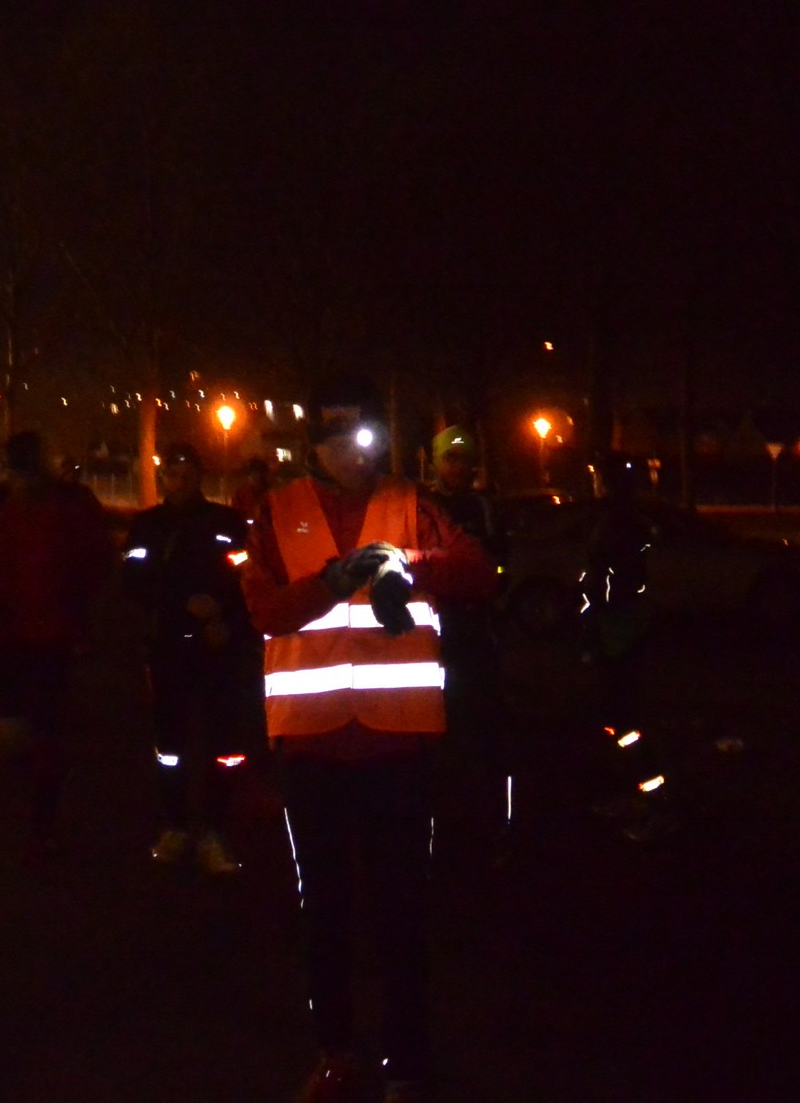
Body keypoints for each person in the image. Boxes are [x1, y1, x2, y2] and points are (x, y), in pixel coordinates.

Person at [242, 385, 497, 1103]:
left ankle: (406, 1063)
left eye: (367, 442)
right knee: (322, 913)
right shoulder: (275, 511)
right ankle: (337, 1054)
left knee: (401, 913)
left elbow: (477, 572)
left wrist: (405, 561)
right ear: (314, 446)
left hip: (397, 745)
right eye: (340, 443)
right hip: (314, 746)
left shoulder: (413, 504)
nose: (356, 457)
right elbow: (264, 610)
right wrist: (332, 581)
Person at [0, 430, 111, 864]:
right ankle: (31, 820)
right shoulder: (6, 508)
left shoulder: (22, 507)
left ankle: (35, 823)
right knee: (23, 735)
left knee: (37, 734)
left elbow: (93, 564)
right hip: (17, 637)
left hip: (40, 638)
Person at [120, 442, 263, 876]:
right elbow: (134, 580)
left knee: (225, 745)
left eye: (188, 473)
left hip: (221, 649)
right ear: (163, 477)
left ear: (200, 475)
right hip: (169, 648)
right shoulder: (148, 526)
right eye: (173, 474)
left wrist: (227, 620)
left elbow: (250, 578)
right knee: (171, 746)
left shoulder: (226, 523)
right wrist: (183, 605)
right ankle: (176, 825)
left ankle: (215, 830)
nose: (180, 482)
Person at [421, 425, 513, 842]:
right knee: (433, 725)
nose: (458, 467)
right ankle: (438, 819)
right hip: (430, 629)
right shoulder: (420, 504)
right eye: (450, 458)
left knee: (480, 724)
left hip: (474, 627)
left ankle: (488, 824)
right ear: (435, 461)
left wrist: (490, 585)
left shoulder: (483, 506)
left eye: (464, 459)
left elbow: (500, 560)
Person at [580, 452, 669, 841]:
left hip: (618, 632)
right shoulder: (625, 521)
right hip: (621, 629)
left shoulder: (616, 525)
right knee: (614, 720)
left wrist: (593, 620)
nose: (594, 484)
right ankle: (630, 794)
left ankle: (653, 802)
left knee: (623, 722)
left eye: (598, 477)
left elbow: (608, 583)